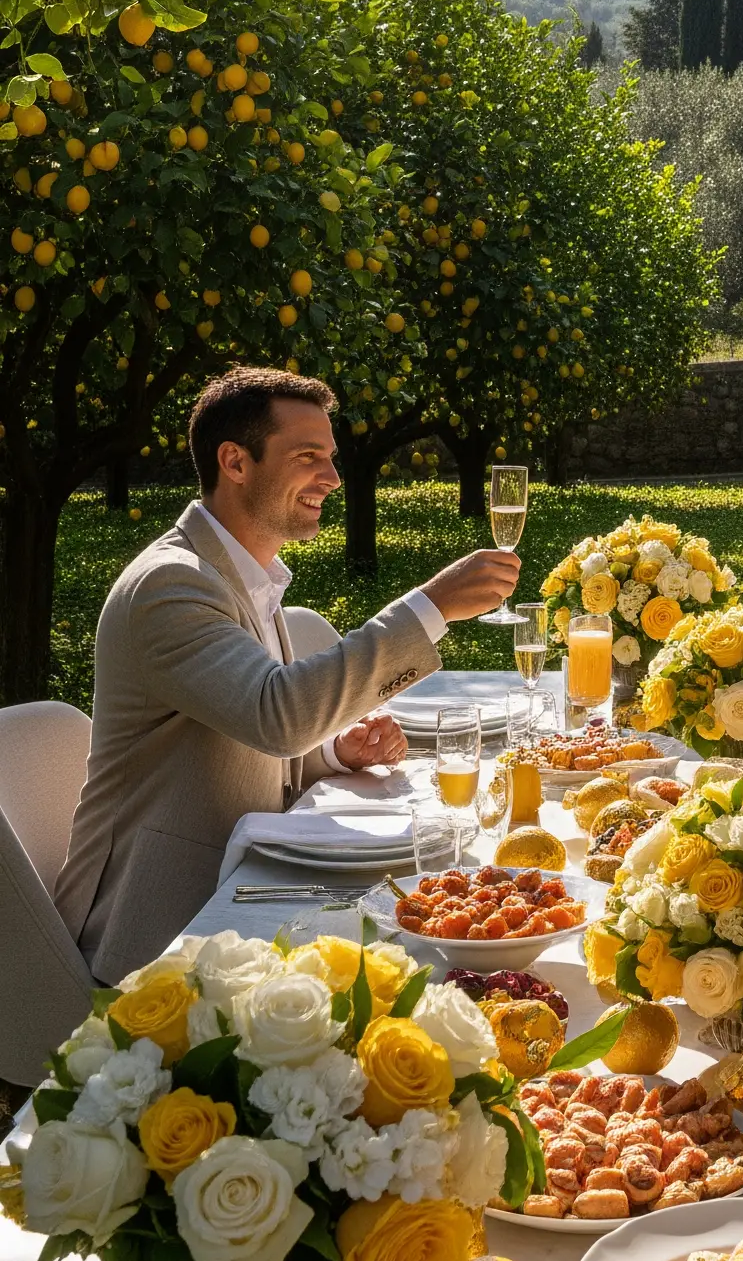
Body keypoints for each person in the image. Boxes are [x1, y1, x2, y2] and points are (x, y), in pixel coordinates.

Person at [55, 367, 524, 979]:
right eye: (308, 457)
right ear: (235, 462)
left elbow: (244, 727)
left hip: (243, 898)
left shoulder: (245, 574)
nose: (331, 478)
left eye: (330, 458)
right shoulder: (169, 586)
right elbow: (277, 715)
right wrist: (429, 607)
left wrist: (332, 752)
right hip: (156, 935)